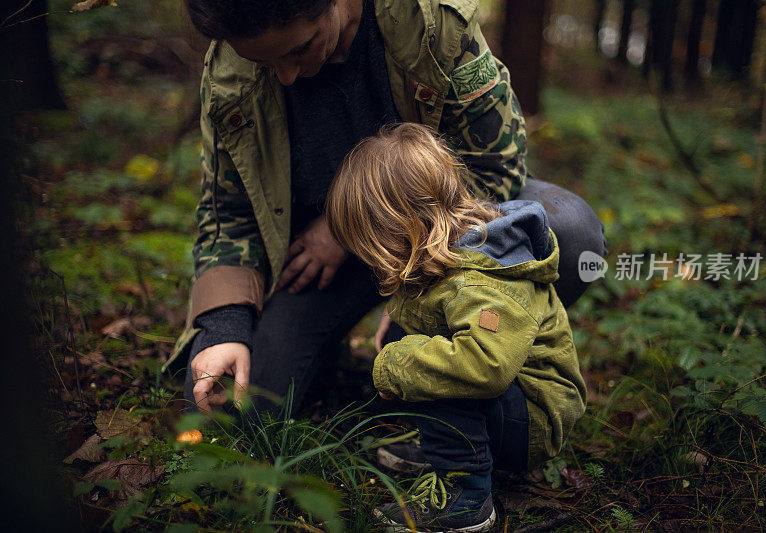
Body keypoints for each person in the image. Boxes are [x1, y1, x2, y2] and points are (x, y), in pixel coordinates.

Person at [169, 0, 605, 415]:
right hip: (309, 262)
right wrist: (225, 327)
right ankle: (325, 356)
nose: (285, 76)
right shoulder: (231, 74)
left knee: (569, 231)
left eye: (299, 48)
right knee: (223, 410)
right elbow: (228, 213)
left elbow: (493, 168)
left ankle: (481, 404)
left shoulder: (431, 25)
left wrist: (412, 283)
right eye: (267, 64)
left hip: (438, 237)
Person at [325, 123, 586, 532]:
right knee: (408, 341)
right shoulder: (452, 251)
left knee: (428, 364)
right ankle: (445, 448)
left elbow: (485, 366)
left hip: (533, 421)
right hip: (512, 402)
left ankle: (465, 495)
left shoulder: (483, 280)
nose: (372, 261)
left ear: (404, 226)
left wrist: (399, 364)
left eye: (374, 246)